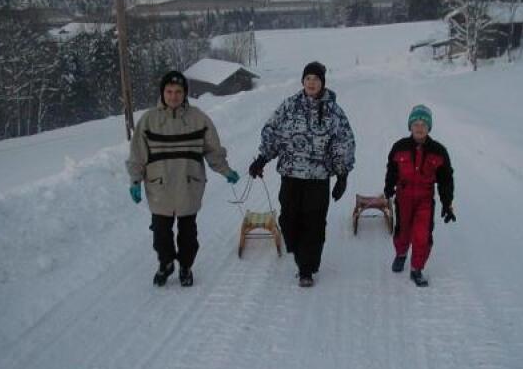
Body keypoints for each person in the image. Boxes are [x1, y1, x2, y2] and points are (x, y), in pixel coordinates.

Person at [127, 71, 240, 287]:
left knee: (188, 234)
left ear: (185, 93)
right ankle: (166, 263)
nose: (174, 96)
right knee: (161, 233)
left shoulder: (199, 119)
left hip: (189, 185)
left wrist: (225, 170)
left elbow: (213, 150)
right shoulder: (148, 120)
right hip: (159, 187)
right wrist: (135, 181)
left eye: (178, 92)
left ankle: (186, 266)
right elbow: (137, 156)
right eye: (169, 91)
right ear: (162, 93)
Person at [249, 61, 355, 287]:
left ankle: (306, 268)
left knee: (314, 224)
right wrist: (262, 159)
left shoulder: (334, 111)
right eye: (308, 78)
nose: (311, 83)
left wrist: (342, 175)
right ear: (302, 81)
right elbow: (273, 132)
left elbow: (343, 143)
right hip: (290, 174)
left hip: (318, 178)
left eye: (316, 79)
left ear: (322, 83)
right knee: (288, 220)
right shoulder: (289, 106)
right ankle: (299, 253)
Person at [384, 104, 455, 287]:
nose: (419, 127)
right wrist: (389, 187)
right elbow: (391, 169)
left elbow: (446, 179)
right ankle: (401, 254)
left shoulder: (438, 151)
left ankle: (416, 268)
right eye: (416, 123)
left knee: (422, 235)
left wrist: (447, 203)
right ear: (410, 126)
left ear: (429, 127)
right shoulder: (399, 147)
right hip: (403, 198)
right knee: (403, 231)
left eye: (424, 124)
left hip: (425, 200)